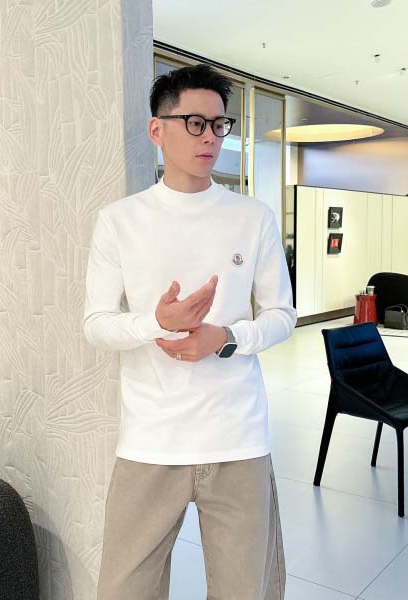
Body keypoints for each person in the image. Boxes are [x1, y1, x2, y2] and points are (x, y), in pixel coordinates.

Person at [84, 63, 297, 600]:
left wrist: (225, 338)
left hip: (237, 437)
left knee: (245, 590)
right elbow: (97, 324)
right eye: (195, 123)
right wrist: (158, 322)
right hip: (151, 439)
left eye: (220, 125)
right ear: (157, 129)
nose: (210, 137)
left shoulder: (253, 217)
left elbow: (282, 314)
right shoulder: (119, 220)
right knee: (123, 590)